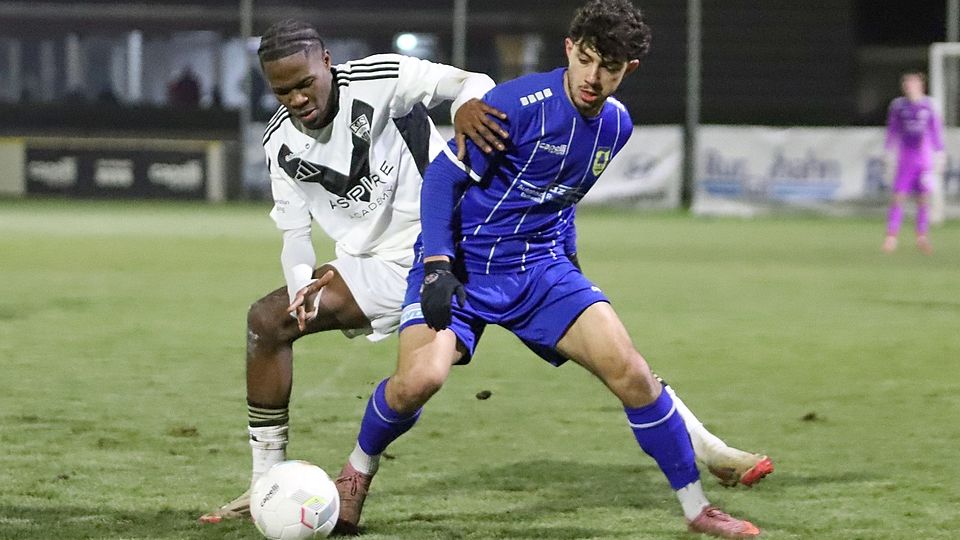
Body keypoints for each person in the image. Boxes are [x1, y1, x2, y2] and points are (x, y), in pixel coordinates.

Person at [201, 14, 771, 527]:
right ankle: (267, 484)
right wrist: (304, 282)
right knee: (275, 323)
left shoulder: (381, 77)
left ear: (327, 62)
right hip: (397, 261)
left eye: (305, 82)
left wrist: (469, 104)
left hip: (467, 241)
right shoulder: (280, 144)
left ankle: (705, 453)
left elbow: (469, 89)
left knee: (620, 362)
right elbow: (295, 234)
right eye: (283, 90)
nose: (297, 97)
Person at [883, 71, 945, 254]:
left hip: (924, 159)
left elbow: (935, 131)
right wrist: (887, 151)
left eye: (913, 83)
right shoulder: (898, 106)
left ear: (921, 85)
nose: (909, 86)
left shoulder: (930, 105)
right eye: (907, 84)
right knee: (898, 197)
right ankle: (891, 237)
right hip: (905, 158)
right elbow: (892, 130)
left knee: (923, 198)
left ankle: (921, 236)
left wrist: (940, 152)